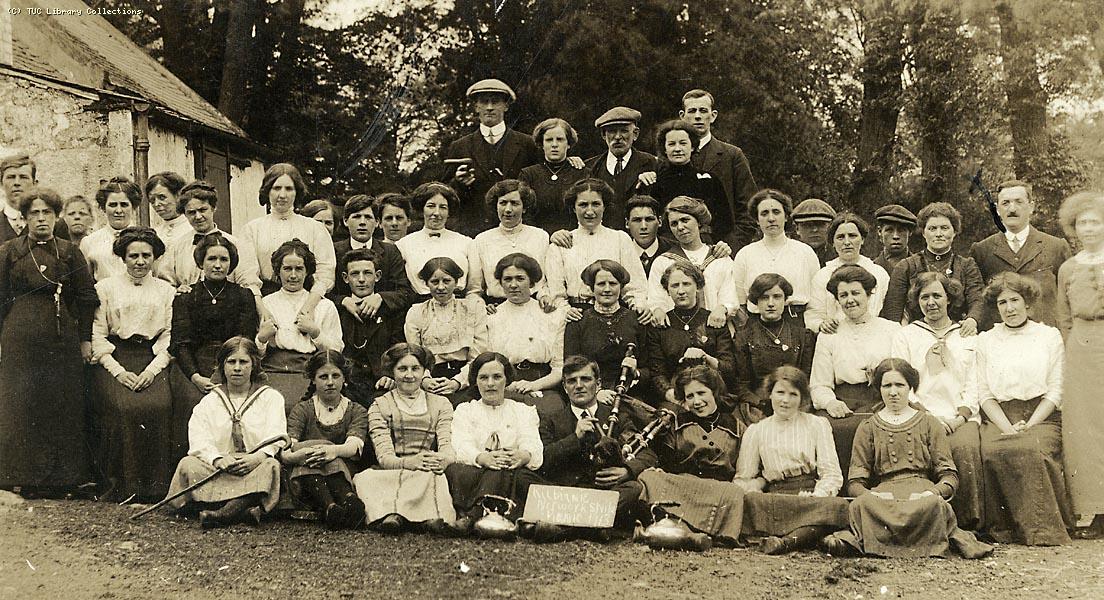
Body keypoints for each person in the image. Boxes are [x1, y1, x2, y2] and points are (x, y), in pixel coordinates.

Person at [822, 359, 993, 559]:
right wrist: (872, 496)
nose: (893, 392)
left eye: (900, 385)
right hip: (883, 498)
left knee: (936, 506)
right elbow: (855, 483)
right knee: (861, 505)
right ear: (879, 388)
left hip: (921, 496)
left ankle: (868, 542)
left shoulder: (930, 422)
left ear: (910, 387)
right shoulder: (868, 427)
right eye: (887, 386)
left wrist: (932, 492)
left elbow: (949, 477)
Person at [0, 187, 99, 496]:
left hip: (61, 334)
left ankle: (62, 479)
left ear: (56, 217)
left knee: (61, 401)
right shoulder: (8, 251)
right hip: (19, 333)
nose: (40, 219)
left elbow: (85, 298)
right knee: (21, 402)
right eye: (34, 213)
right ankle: (20, 475)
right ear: (25, 218)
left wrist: (84, 340)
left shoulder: (70, 252)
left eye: (46, 213)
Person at [975, 273, 1073, 545]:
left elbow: (1056, 389)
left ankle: (1042, 530)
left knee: (1031, 447)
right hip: (1000, 416)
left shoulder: (1048, 336)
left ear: (1028, 303)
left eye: (1015, 300)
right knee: (994, 450)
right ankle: (1004, 529)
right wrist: (1007, 427)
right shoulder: (987, 340)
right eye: (1002, 302)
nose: (1009, 308)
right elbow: (984, 393)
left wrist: (1029, 425)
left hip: (1043, 416)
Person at [890, 271, 983, 530]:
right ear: (916, 301)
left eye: (937, 296)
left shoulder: (967, 336)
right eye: (924, 297)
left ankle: (966, 524)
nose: (931, 302)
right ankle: (922, 522)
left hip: (960, 417)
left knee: (964, 448)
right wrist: (929, 416)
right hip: (920, 414)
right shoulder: (906, 336)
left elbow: (975, 383)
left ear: (949, 299)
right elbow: (901, 382)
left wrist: (959, 417)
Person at [90, 227, 175, 501]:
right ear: (123, 258)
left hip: (152, 359)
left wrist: (152, 370)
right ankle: (122, 487)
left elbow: (170, 336)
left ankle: (155, 488)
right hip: (115, 359)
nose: (140, 261)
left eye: (146, 255)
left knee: (159, 404)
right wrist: (118, 371)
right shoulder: (104, 288)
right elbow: (97, 334)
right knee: (123, 407)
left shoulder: (166, 290)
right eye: (133, 255)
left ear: (155, 257)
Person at [164, 337, 287, 529]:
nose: (237, 368)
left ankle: (223, 513)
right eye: (231, 362)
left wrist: (256, 458)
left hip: (252, 465)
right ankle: (243, 508)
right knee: (188, 465)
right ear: (222, 366)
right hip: (220, 467)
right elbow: (199, 438)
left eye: (243, 362)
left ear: (253, 365)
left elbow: (276, 435)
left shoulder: (270, 398)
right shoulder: (209, 401)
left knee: (271, 466)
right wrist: (218, 459)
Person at [536, 355, 658, 538]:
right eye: (571, 381)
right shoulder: (551, 420)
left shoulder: (617, 417)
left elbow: (647, 454)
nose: (578, 386)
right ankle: (597, 527)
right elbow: (543, 459)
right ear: (564, 387)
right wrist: (574, 438)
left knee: (633, 488)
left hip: (607, 492)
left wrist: (626, 471)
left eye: (585, 379)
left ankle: (569, 529)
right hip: (570, 493)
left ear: (598, 384)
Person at [732, 366, 849, 554]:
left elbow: (831, 474)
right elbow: (743, 479)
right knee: (750, 503)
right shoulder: (757, 431)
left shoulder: (817, 425)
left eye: (793, 394)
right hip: (776, 499)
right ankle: (808, 536)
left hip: (809, 497)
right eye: (780, 392)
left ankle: (785, 542)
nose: (785, 400)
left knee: (838, 507)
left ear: (802, 398)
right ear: (769, 394)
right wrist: (758, 486)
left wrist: (817, 495)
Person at [168, 234, 260, 464]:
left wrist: (225, 373)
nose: (218, 265)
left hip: (232, 362)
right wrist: (196, 377)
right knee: (190, 402)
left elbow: (244, 340)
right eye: (211, 259)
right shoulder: (186, 297)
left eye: (223, 259)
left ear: (231, 263)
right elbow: (180, 343)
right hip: (193, 365)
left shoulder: (243, 296)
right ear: (201, 262)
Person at [352, 343, 457, 533]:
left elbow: (447, 447)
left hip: (426, 469)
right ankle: (406, 516)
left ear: (425, 371)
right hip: (393, 468)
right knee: (365, 479)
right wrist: (410, 462)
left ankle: (408, 516)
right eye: (402, 369)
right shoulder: (380, 405)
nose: (409, 375)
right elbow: (384, 458)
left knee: (432, 476)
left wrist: (443, 460)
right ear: (392, 372)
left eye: (415, 368)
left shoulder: (441, 403)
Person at [638, 365, 748, 545]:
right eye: (690, 396)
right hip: (685, 486)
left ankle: (685, 532)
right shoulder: (676, 424)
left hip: (719, 489)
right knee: (648, 477)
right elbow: (667, 463)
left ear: (715, 392)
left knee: (734, 492)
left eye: (701, 393)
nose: (696, 401)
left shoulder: (736, 427)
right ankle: (690, 534)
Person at [809, 265, 900, 475]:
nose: (850, 300)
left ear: (868, 295)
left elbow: (902, 374)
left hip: (882, 399)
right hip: (844, 401)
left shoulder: (891, 330)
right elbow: (819, 384)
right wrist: (831, 402)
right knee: (833, 428)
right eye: (843, 295)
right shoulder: (829, 334)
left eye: (856, 293)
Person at [445, 352, 544, 530]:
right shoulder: (465, 410)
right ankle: (504, 519)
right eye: (483, 378)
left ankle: (473, 516)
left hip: (509, 473)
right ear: (475, 381)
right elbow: (461, 444)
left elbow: (532, 442)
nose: (490, 383)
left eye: (497, 377)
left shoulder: (522, 411)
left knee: (511, 474)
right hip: (475, 472)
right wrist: (482, 458)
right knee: (458, 470)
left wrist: (523, 455)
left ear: (507, 379)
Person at [1055, 191, 1104, 539]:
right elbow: (1064, 318)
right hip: (1081, 350)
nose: (1089, 228)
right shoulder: (1068, 268)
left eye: (1095, 222)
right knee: (1085, 430)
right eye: (1082, 222)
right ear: (1074, 227)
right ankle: (1095, 510)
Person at [282, 350, 369, 529]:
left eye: (335, 376)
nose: (330, 382)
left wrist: (331, 451)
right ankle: (334, 505)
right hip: (308, 477)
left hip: (343, 473)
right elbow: (289, 446)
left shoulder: (356, 410)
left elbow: (354, 446)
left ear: (344, 379)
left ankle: (341, 503)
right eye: (323, 377)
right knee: (308, 456)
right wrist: (307, 454)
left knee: (328, 453)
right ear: (313, 380)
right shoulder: (302, 409)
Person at [442, 78, 541, 236]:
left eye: (495, 102)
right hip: (473, 230)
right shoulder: (459, 146)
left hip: (518, 230)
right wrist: (458, 183)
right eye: (484, 102)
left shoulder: (527, 143)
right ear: (476, 107)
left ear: (506, 106)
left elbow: (539, 182)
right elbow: (444, 194)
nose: (489, 107)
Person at [968, 180, 1072, 330]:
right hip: (1000, 339)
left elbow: (1068, 298)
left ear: (1031, 206)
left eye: (1019, 202)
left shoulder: (1056, 247)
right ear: (997, 209)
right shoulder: (982, 250)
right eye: (1005, 203)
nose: (1012, 208)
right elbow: (976, 299)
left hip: (1044, 338)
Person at [257, 240, 344, 413]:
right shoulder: (266, 303)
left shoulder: (324, 306)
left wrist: (315, 332)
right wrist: (262, 338)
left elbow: (336, 349)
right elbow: (255, 353)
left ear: (308, 271)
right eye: (287, 269)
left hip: (309, 371)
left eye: (299, 269)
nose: (293, 275)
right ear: (278, 271)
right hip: (272, 370)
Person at [543, 178, 649, 315]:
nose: (590, 211)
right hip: (575, 315)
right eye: (583, 205)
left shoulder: (620, 239)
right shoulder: (560, 244)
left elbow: (636, 287)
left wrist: (638, 308)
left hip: (617, 313)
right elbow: (556, 293)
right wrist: (567, 312)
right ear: (574, 208)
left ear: (604, 206)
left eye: (596, 204)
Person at [880, 202, 985, 335]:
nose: (939, 234)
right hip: (916, 336)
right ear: (923, 232)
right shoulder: (906, 266)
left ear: (955, 232)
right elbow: (892, 312)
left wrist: (972, 320)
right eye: (932, 228)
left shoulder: (967, 265)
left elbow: (977, 299)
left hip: (958, 334)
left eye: (945, 228)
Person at [239, 163, 337, 304]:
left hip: (308, 301)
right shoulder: (252, 229)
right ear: (268, 191)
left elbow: (325, 273)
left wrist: (308, 308)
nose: (282, 195)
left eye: (289, 189)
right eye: (277, 188)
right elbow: (247, 276)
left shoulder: (315, 228)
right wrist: (262, 310)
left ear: (297, 191)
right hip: (265, 302)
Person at [644, 262, 737, 406]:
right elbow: (657, 374)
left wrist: (706, 358)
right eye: (675, 285)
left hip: (715, 395)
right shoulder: (660, 326)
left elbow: (730, 369)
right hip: (676, 398)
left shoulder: (713, 321)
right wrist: (677, 400)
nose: (681, 291)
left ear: (698, 287)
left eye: (686, 284)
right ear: (667, 290)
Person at [158, 181, 263, 308]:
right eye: (191, 212)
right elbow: (165, 284)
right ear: (184, 214)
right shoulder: (177, 247)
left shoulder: (236, 244)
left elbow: (249, 284)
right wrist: (176, 291)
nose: (198, 216)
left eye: (203, 210)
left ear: (213, 208)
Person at [680, 89, 759, 250]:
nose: (697, 116)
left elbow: (749, 209)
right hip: (680, 248)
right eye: (692, 111)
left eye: (703, 111)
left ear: (713, 115)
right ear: (682, 116)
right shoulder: (669, 158)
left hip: (722, 247)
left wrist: (732, 246)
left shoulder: (732, 155)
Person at [732, 273, 816, 422]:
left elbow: (807, 378)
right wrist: (762, 403)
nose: (771, 303)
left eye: (777, 297)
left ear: (785, 300)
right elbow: (741, 385)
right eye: (764, 297)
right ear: (756, 302)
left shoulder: (802, 336)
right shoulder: (743, 337)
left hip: (795, 404)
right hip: (758, 407)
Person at [564, 260, 650, 401]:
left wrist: (636, 372)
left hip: (631, 395)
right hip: (589, 397)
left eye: (613, 283)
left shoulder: (636, 319)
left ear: (621, 287)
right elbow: (571, 369)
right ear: (592, 288)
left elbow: (649, 369)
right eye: (601, 284)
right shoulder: (578, 321)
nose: (607, 289)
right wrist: (596, 393)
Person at [486, 253, 566, 405]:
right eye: (507, 279)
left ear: (531, 282)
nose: (513, 285)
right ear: (501, 283)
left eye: (520, 278)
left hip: (543, 385)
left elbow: (559, 368)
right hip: (503, 386)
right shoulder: (491, 317)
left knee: (550, 410)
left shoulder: (551, 315)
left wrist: (534, 385)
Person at [405, 257, 488, 399]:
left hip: (465, 378)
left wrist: (458, 382)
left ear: (456, 282)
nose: (441, 287)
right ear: (426, 284)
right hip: (429, 379)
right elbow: (414, 354)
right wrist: (425, 380)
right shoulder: (416, 312)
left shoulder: (473, 308)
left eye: (447, 281)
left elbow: (478, 354)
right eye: (434, 282)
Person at [646, 196, 736, 326]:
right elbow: (656, 299)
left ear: (699, 222)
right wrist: (658, 310)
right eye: (674, 223)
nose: (680, 227)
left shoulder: (719, 258)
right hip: (678, 331)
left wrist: (722, 309)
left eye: (685, 220)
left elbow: (730, 295)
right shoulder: (663, 262)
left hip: (716, 327)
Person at [732, 189, 820, 321]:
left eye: (776, 212)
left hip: (797, 322)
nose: (771, 219)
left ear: (785, 217)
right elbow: (740, 302)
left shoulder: (805, 252)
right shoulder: (745, 255)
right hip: (757, 325)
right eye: (764, 214)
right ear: (757, 220)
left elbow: (817, 297)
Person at [643, 120, 734, 245]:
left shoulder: (709, 180)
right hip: (667, 246)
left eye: (683, 143)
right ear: (664, 149)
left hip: (704, 244)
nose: (677, 149)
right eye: (671, 144)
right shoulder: (656, 182)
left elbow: (725, 221)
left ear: (692, 147)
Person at [465, 179, 550, 307]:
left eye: (515, 203)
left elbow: (545, 282)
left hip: (535, 307)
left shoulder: (540, 236)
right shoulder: (481, 240)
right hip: (496, 309)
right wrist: (482, 306)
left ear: (525, 207)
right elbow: (474, 291)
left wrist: (544, 296)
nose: (508, 209)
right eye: (503, 203)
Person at [336, 249, 403, 408]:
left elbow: (397, 346)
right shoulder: (337, 309)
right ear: (345, 278)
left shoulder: (391, 309)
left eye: (367, 273)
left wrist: (389, 375)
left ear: (377, 276)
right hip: (347, 383)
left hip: (380, 382)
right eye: (354, 274)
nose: (361, 280)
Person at [805, 211, 890, 333]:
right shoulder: (823, 276)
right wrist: (821, 324)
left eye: (852, 236)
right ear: (833, 243)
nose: (847, 242)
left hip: (873, 336)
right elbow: (813, 314)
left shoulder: (878, 273)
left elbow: (888, 313)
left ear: (862, 239)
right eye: (840, 237)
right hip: (836, 336)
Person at [331, 194, 412, 318]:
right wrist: (343, 301)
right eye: (356, 217)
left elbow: (403, 292)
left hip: (382, 324)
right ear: (345, 221)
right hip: (343, 322)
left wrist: (381, 297)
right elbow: (323, 291)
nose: (362, 222)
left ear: (377, 222)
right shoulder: (334, 251)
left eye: (368, 217)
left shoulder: (390, 251)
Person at [396, 182, 473, 301]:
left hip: (459, 306)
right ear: (422, 209)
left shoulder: (466, 243)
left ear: (449, 212)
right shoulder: (404, 244)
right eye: (431, 206)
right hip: (421, 306)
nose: (436, 213)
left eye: (443, 207)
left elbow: (474, 287)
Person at [583, 107, 658, 226]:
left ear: (635, 134)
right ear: (603, 135)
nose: (618, 137)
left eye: (624, 131)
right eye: (612, 131)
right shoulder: (590, 167)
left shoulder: (652, 163)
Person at [518, 118, 588, 235]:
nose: (554, 145)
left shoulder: (582, 173)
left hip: (574, 238)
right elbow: (524, 214)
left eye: (560, 140)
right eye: (549, 140)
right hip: (538, 239)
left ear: (569, 143)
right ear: (542, 144)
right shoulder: (528, 174)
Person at [80, 177, 138, 281]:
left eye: (124, 205)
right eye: (113, 205)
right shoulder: (89, 242)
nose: (118, 210)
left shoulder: (146, 238)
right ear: (103, 208)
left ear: (133, 207)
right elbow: (85, 283)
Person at [0, 154, 67, 242]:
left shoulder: (57, 224)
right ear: (1, 183)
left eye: (23, 177)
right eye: (11, 177)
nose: (17, 183)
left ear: (34, 183)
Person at [624, 195, 672, 277]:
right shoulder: (621, 251)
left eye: (649, 219)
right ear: (627, 223)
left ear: (659, 221)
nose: (643, 226)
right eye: (637, 220)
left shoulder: (672, 250)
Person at [146, 172, 192, 246]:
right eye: (152, 200)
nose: (156, 204)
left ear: (178, 195)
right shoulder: (154, 234)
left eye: (162, 197)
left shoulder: (192, 230)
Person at [792, 198, 837, 267]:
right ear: (797, 229)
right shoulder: (790, 256)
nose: (814, 230)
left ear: (830, 227)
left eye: (820, 224)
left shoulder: (839, 256)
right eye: (807, 225)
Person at [872, 204, 917, 273]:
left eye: (901, 230)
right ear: (880, 231)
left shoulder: (921, 267)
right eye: (889, 230)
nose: (895, 236)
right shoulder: (871, 268)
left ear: (910, 232)